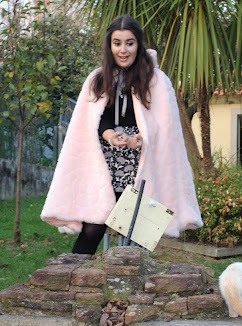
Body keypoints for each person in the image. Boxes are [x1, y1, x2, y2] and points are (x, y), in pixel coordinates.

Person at [41, 15, 202, 254]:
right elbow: (93, 120)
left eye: (129, 43)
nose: (123, 50)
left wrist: (140, 138)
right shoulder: (97, 79)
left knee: (139, 232)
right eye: (117, 43)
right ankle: (71, 273)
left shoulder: (157, 80)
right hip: (105, 165)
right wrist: (110, 135)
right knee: (93, 227)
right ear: (110, 45)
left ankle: (129, 276)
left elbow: (162, 126)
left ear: (138, 45)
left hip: (142, 164)